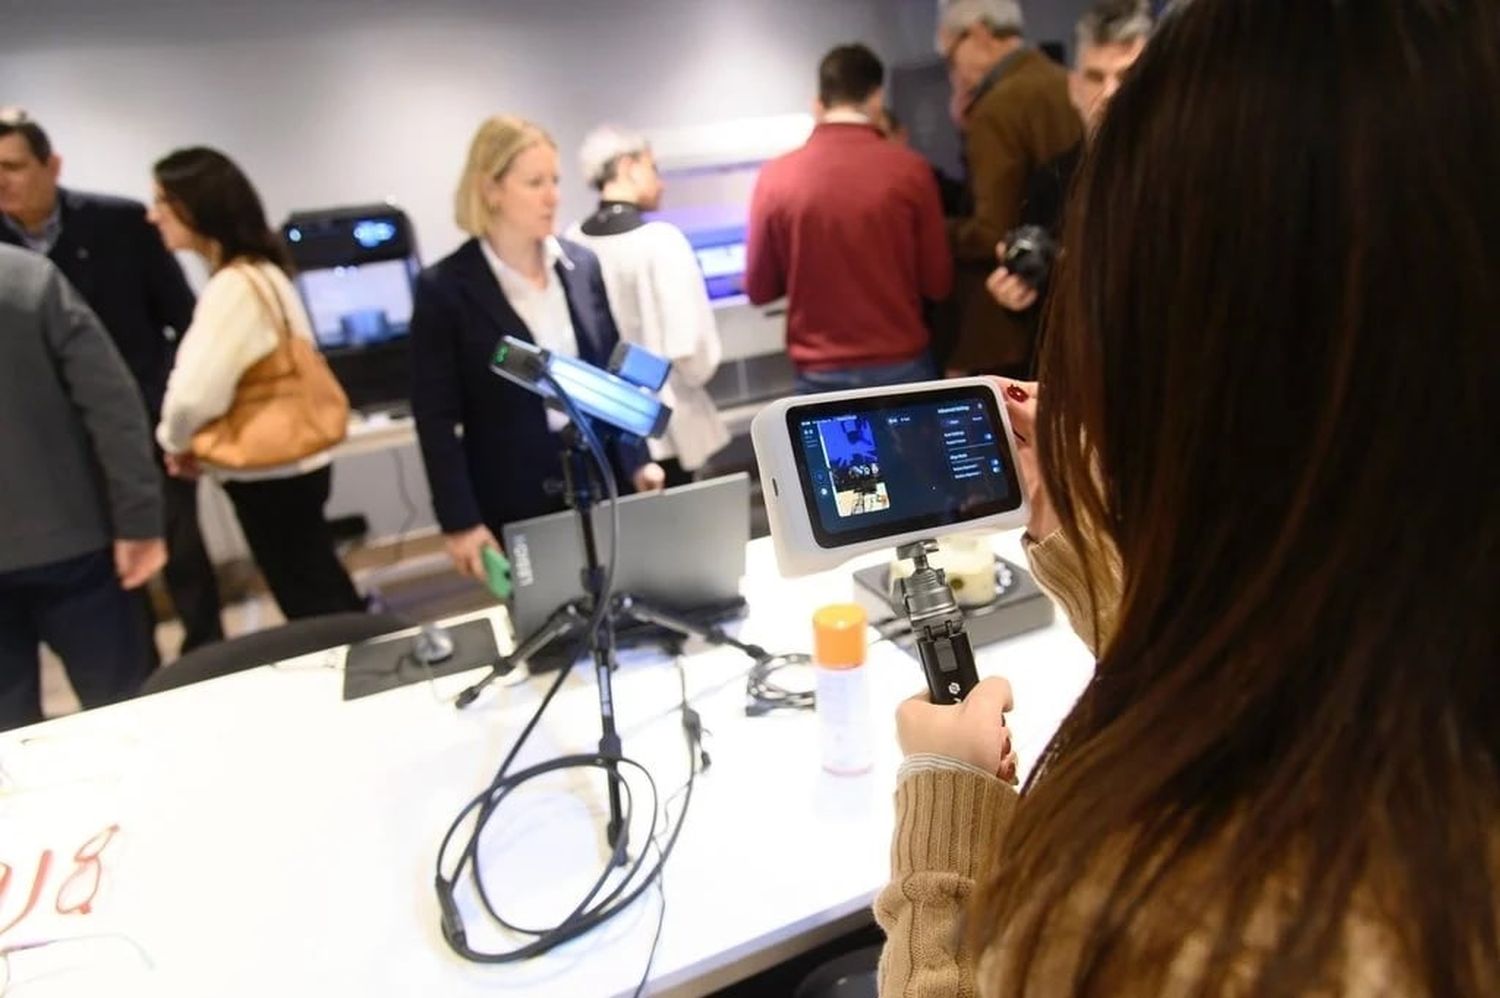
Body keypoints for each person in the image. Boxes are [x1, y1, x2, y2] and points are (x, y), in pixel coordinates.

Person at [876, 0, 1498, 994]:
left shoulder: (1167, 909)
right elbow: (1264, 647)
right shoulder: (1406, 681)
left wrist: (945, 810)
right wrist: (1074, 525)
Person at [0, 108, 223, 657]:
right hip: (49, 454)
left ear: (51, 165)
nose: (2, 181)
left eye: (13, 166)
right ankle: (138, 667)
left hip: (140, 422)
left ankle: (209, 658)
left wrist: (164, 404)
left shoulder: (119, 224)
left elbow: (183, 321)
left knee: (182, 553)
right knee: (107, 584)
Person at [410, 116, 663, 583]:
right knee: (549, 625)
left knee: (632, 603)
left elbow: (612, 370)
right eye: (534, 182)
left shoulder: (579, 264)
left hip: (601, 474)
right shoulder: (445, 289)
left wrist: (638, 457)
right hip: (513, 487)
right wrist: (460, 521)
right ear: (491, 189)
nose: (553, 196)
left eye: (555, 181)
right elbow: (436, 421)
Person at [150, 147, 364, 621]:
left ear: (195, 205)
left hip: (265, 470)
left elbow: (193, 393)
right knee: (318, 578)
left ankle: (358, 672)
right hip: (298, 459)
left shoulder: (232, 287)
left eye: (163, 202)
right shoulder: (267, 273)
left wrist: (174, 441)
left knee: (308, 595)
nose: (154, 215)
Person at [0, 244, 167, 730]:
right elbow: (113, 408)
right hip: (70, 539)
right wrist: (139, 520)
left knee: (10, 735)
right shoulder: (26, 281)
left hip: (71, 544)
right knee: (124, 712)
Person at [745, 44, 952, 394]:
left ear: (819, 102)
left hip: (819, 370)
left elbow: (759, 288)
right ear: (876, 97)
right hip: (901, 363)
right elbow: (938, 281)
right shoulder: (910, 170)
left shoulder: (776, 176)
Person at [566, 125, 729, 485]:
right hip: (666, 423)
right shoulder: (663, 241)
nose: (662, 182)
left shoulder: (571, 241)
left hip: (607, 422)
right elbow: (692, 346)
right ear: (628, 166)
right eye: (654, 168)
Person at [935, 0, 1081, 377]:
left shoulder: (998, 107)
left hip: (1015, 324)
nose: (954, 73)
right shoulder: (1064, 81)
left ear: (980, 34)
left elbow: (991, 231)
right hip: (1077, 300)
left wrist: (934, 229)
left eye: (951, 57)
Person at [987, 0, 1152, 322]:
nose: (1109, 92)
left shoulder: (1190, 178)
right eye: (1095, 77)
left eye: (1126, 75)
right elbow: (1044, 316)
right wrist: (1018, 296)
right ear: (1074, 88)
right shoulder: (1050, 181)